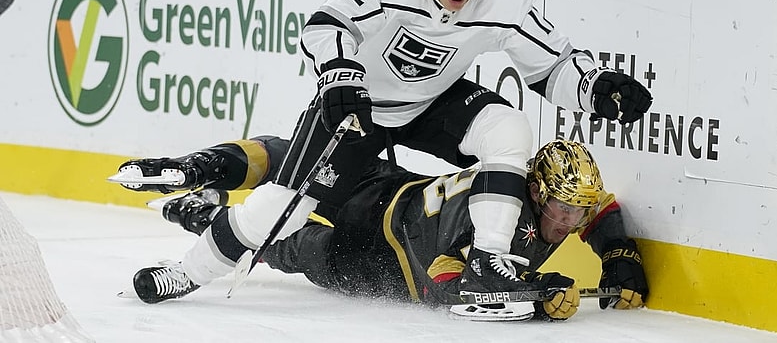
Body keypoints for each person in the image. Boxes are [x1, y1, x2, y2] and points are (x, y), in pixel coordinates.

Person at [121, 0, 652, 305]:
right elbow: (324, 26)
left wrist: (595, 87)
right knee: (284, 209)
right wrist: (340, 78)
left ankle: (490, 260)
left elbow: (552, 66)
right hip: (362, 102)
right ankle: (187, 272)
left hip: (433, 102)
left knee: (507, 126)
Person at [125, 136, 648, 321]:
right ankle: (197, 192)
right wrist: (534, 301)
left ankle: (199, 212)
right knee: (289, 167)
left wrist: (619, 254)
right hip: (382, 254)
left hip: (391, 197)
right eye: (561, 208)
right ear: (535, 193)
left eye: (576, 212)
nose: (570, 221)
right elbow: (446, 290)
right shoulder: (493, 222)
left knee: (280, 242)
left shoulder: (535, 193)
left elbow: (600, 208)